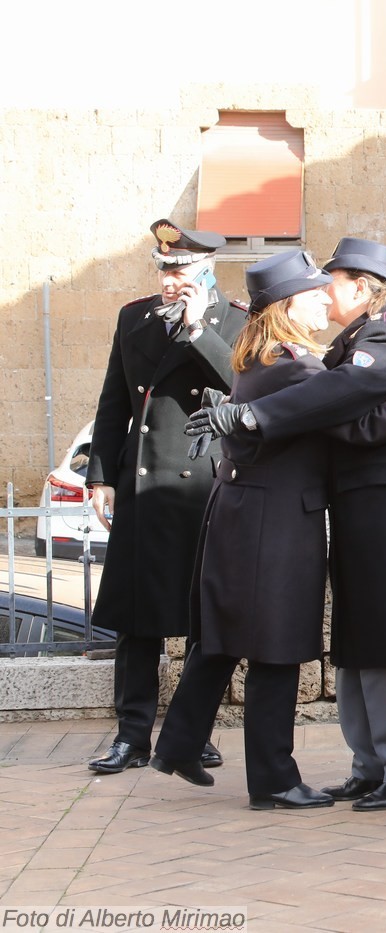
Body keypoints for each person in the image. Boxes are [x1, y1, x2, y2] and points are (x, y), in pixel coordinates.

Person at [186, 236, 386, 812]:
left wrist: (255, 414)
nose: (322, 292)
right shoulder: (356, 340)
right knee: (358, 644)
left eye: (330, 280)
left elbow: (353, 414)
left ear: (361, 285)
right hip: (365, 508)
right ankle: (370, 764)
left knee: (384, 643)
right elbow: (340, 410)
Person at [85, 220, 248, 775]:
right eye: (164, 269)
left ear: (205, 271)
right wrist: (101, 476)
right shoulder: (134, 317)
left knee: (199, 617)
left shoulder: (238, 321)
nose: (169, 279)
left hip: (199, 485)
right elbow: (114, 401)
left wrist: (200, 329)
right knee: (137, 619)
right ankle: (131, 734)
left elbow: (243, 386)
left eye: (179, 270)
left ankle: (190, 732)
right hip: (142, 485)